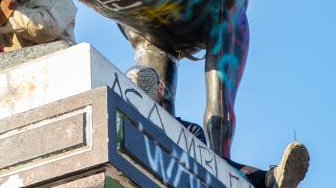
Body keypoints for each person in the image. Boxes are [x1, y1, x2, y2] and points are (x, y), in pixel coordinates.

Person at [127, 65, 310, 188]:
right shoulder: (188, 130)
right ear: (160, 88)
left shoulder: (190, 130)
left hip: (181, 167)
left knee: (214, 160)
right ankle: (268, 179)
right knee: (212, 159)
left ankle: (271, 178)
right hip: (157, 164)